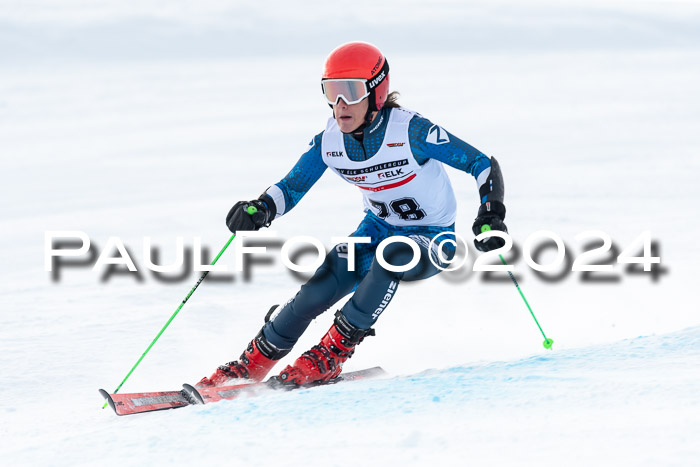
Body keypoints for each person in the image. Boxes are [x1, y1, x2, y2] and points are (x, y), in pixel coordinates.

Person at [197, 41, 508, 388]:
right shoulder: (330, 140)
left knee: (393, 256)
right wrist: (260, 209)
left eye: (351, 92)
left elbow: (481, 164)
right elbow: (292, 187)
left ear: (377, 93)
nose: (340, 105)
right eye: (331, 92)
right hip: (376, 230)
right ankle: (251, 363)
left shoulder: (411, 131)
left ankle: (332, 353)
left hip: (433, 238)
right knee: (316, 291)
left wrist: (490, 213)